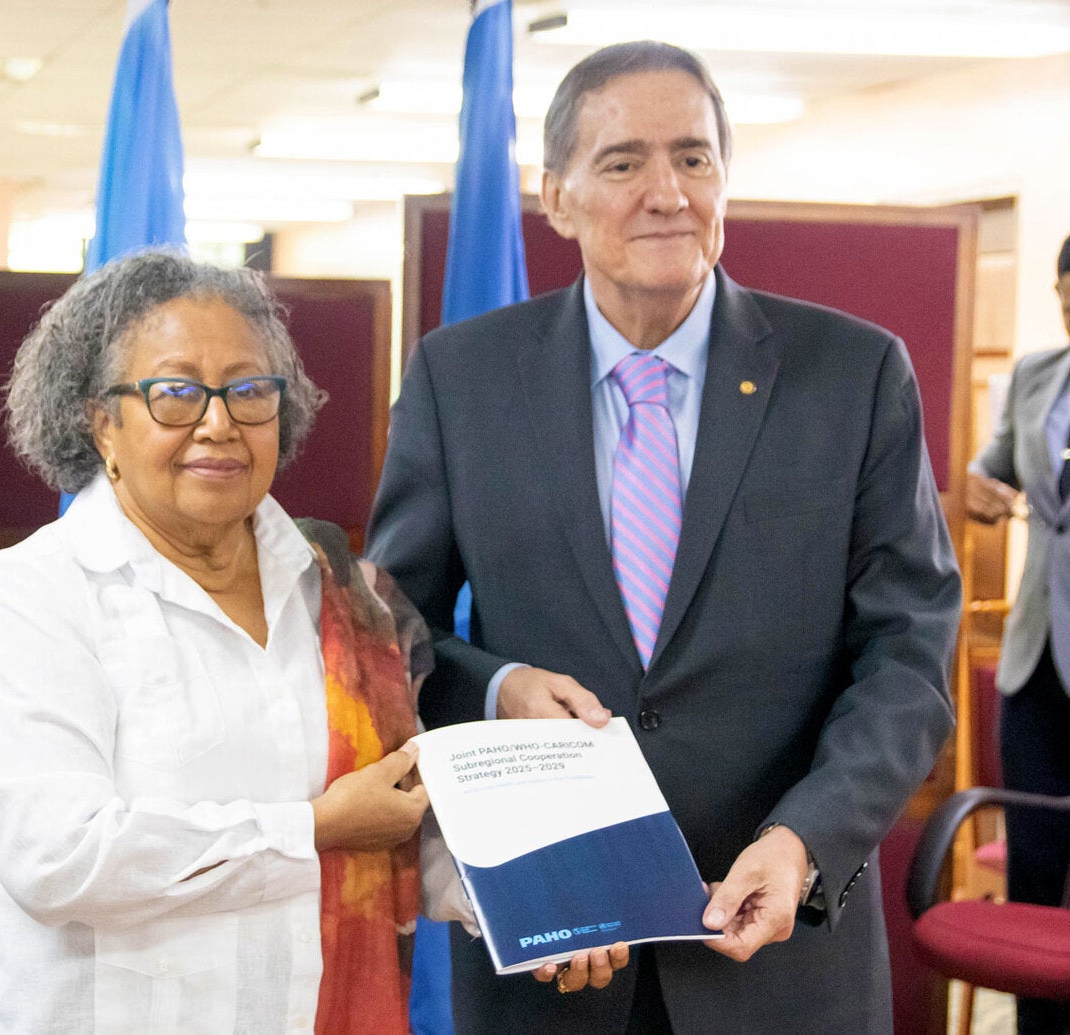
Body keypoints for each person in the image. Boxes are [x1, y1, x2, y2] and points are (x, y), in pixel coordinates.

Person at [367, 40, 961, 1034]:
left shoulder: (852, 377)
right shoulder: (460, 379)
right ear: (555, 198)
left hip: (775, 948)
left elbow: (908, 654)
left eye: (692, 157)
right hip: (552, 948)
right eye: (622, 162)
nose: (666, 192)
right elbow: (389, 634)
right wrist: (497, 686)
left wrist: (806, 842)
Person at [0, 250, 454, 1032]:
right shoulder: (39, 593)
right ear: (101, 420)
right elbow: (59, 858)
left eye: (249, 391)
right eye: (176, 393)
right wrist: (312, 828)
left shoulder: (342, 591)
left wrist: (543, 913)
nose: (218, 423)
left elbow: (397, 818)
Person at [965, 233, 1070, 1035]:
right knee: (1033, 859)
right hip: (1036, 653)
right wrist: (978, 487)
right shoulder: (1039, 373)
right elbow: (993, 467)